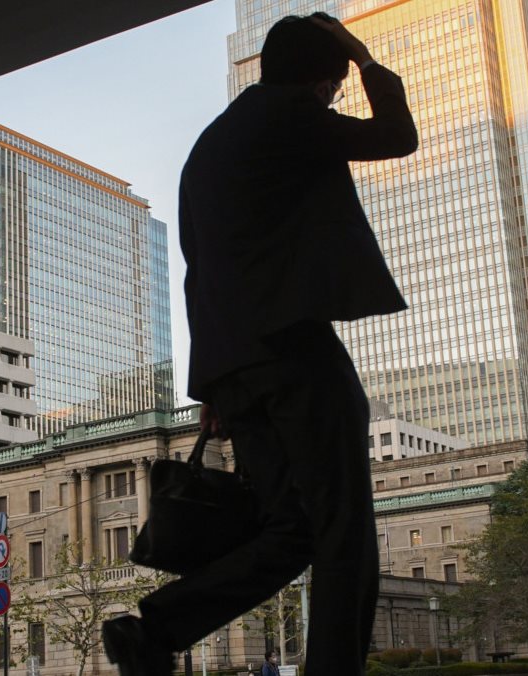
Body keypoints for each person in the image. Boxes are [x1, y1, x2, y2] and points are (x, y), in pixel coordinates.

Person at [102, 12, 417, 676]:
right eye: (334, 87)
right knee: (343, 528)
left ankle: (155, 631)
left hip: (236, 367)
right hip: (293, 349)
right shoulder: (289, 115)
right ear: (320, 80)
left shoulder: (210, 146)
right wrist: (364, 57)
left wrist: (215, 385)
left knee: (292, 529)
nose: (334, 98)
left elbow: (201, 268)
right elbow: (396, 136)